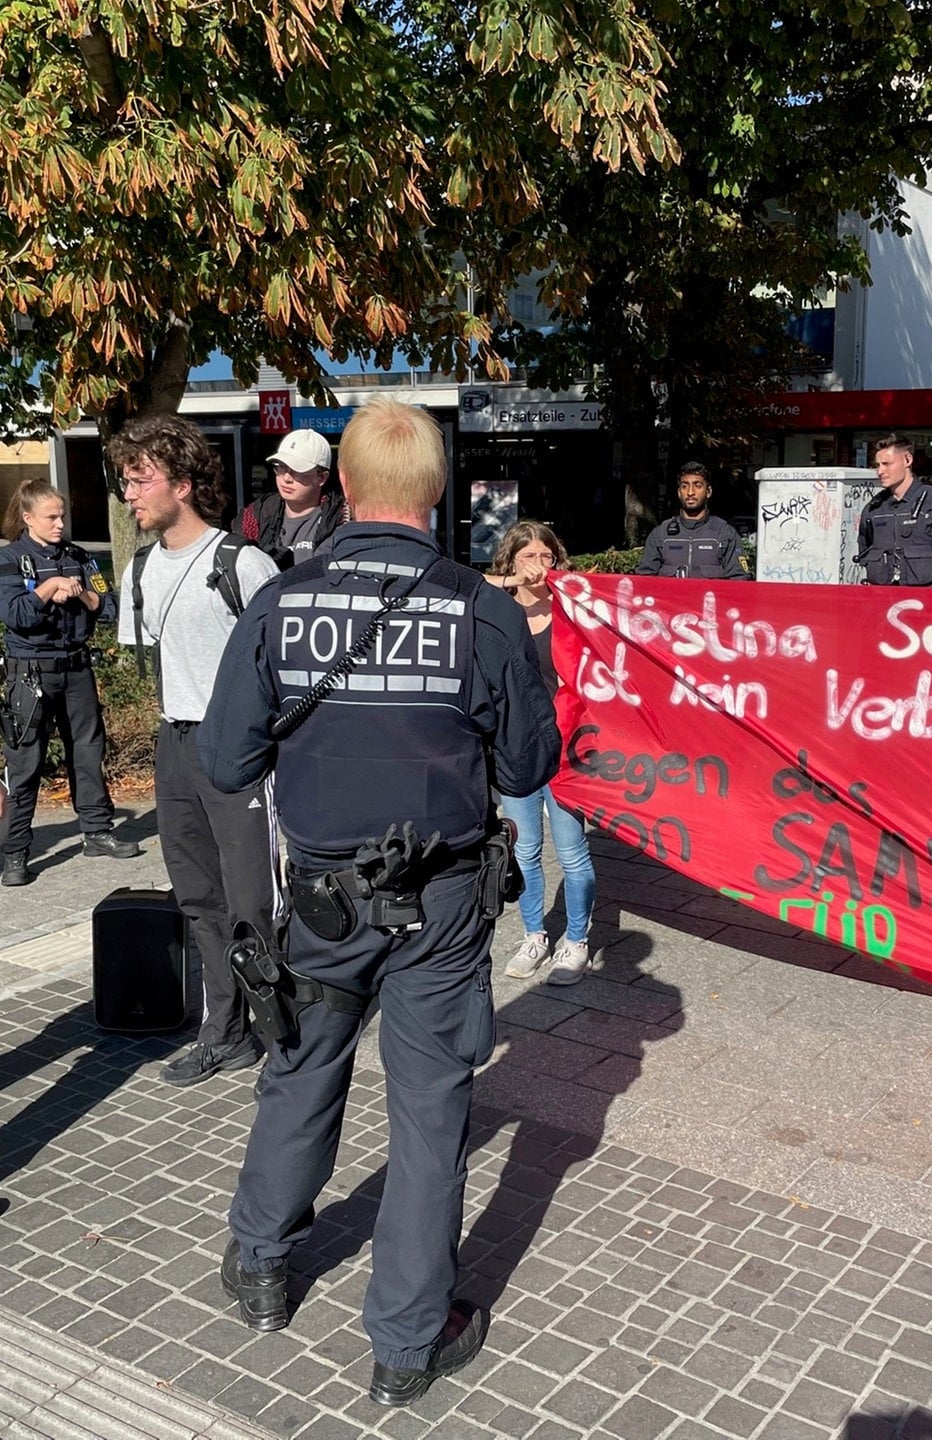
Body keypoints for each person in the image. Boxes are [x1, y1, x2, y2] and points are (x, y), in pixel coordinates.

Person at [197, 399, 559, 1408]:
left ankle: (263, 1264)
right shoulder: (479, 608)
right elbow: (530, 762)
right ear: (435, 491)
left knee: (302, 1071)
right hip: (440, 902)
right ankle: (404, 1342)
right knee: (431, 1108)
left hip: (318, 901)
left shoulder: (283, 601)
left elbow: (226, 759)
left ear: (346, 488)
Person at [111, 415, 282, 1086]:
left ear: (182, 484)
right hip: (173, 740)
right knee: (197, 898)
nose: (130, 493)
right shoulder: (142, 569)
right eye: (124, 480)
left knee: (251, 898)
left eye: (140, 479)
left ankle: (274, 1025)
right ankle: (226, 1030)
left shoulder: (242, 563)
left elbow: (280, 666)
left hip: (235, 747)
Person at [0, 480, 140, 886]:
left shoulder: (80, 557)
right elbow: (16, 615)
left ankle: (97, 832)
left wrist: (82, 596)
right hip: (30, 672)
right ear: (28, 519)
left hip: (76, 669)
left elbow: (109, 606)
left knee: (87, 751)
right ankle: (16, 853)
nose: (60, 523)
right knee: (26, 763)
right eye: (51, 517)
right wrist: (47, 589)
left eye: (62, 515)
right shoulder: (10, 560)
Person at [486, 522, 596, 984]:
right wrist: (512, 584)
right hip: (515, 746)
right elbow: (461, 580)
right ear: (510, 562)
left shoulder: (573, 607)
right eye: (527, 556)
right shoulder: (496, 607)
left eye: (546, 556)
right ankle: (535, 935)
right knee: (525, 848)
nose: (538, 566)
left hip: (566, 747)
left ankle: (576, 940)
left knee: (571, 851)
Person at [855, 434, 932, 587]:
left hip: (928, 606)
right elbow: (864, 554)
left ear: (908, 460)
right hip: (883, 604)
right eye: (877, 465)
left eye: (886, 464)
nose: (880, 471)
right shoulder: (874, 510)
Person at [234, 429, 345, 568]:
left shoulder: (342, 519)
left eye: (298, 471)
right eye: (281, 468)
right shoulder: (256, 516)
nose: (286, 478)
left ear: (322, 477)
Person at [636, 462, 745, 578]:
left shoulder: (725, 534)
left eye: (697, 486)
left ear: (708, 492)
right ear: (679, 492)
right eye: (685, 486)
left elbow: (739, 582)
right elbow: (645, 580)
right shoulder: (660, 534)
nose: (690, 492)